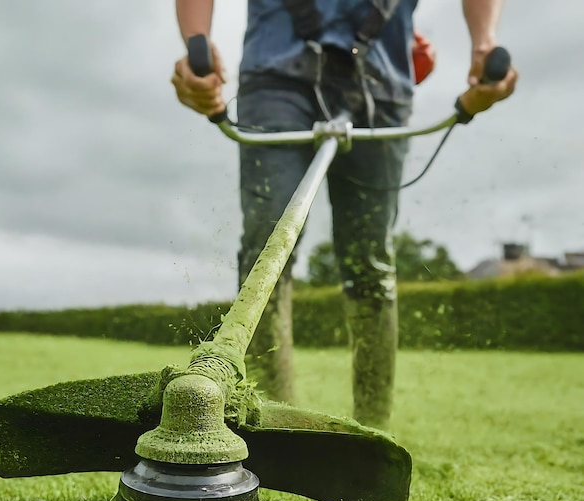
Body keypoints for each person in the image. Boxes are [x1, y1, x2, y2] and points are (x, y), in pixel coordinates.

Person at [172, 0, 517, 429]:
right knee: (267, 247)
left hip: (382, 83)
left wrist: (485, 43)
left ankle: (373, 436)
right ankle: (270, 430)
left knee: (369, 257)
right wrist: (196, 42)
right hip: (275, 77)